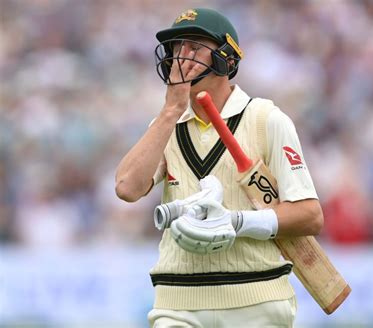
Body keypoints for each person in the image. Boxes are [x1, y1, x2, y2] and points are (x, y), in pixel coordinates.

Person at [115, 8, 324, 328]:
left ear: (225, 58)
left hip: (256, 298)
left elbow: (309, 215)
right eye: (176, 47)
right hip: (177, 302)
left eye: (194, 47)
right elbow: (127, 187)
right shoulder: (165, 125)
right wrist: (171, 111)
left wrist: (238, 222)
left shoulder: (266, 119)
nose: (180, 56)